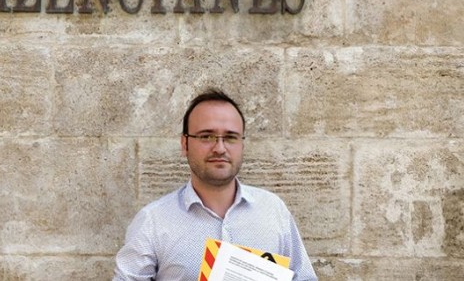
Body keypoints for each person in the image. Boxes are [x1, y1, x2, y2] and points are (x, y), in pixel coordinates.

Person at [113, 89, 318, 281]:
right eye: (206, 136)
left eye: (230, 137)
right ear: (185, 144)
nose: (219, 148)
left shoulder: (273, 210)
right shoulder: (153, 221)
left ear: (241, 144)